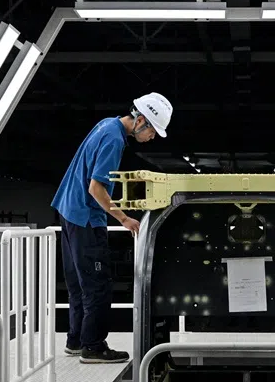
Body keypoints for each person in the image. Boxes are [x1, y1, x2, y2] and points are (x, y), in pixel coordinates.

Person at [52, 92, 173, 363]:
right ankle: (93, 347)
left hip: (69, 211)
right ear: (140, 120)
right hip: (85, 216)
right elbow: (95, 188)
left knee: (78, 284)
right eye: (152, 130)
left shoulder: (106, 124)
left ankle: (75, 340)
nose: (152, 137)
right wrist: (124, 219)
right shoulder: (114, 139)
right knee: (98, 286)